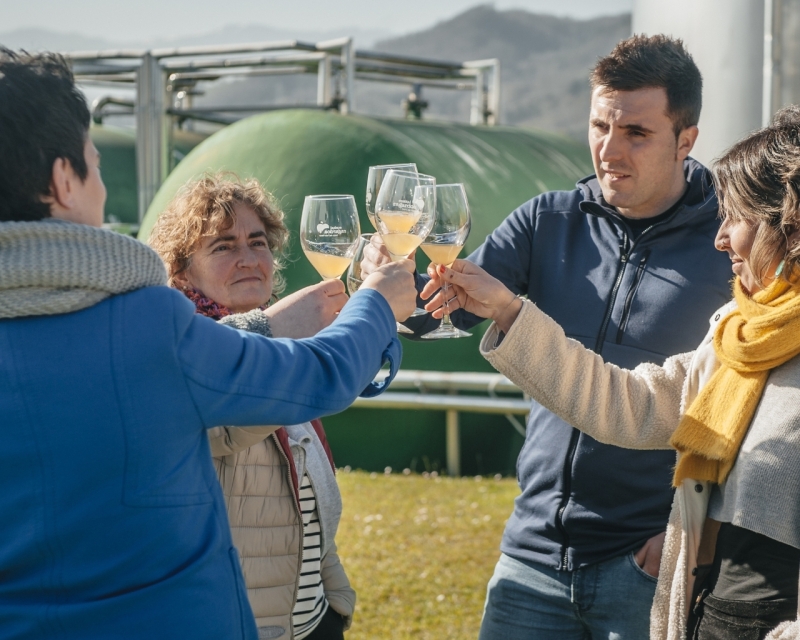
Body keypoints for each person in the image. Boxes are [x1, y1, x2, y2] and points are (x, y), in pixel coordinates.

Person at [0, 49, 416, 640]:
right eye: (94, 159)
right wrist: (377, 301)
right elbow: (317, 377)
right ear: (64, 180)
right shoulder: (142, 325)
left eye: (257, 241)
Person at [363, 34, 733, 638]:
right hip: (531, 559)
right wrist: (386, 277)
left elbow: (747, 407)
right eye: (599, 126)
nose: (609, 150)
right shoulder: (546, 220)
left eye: (635, 133)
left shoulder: (729, 244)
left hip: (646, 565)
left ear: (686, 139)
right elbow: (438, 314)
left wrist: (690, 530)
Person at [424, 106, 800, 640]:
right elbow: (627, 404)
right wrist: (509, 311)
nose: (720, 240)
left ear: (788, 227)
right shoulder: (737, 340)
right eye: (600, 125)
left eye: (736, 218)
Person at [149, 174, 356, 640]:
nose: (248, 258)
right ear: (181, 271)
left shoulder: (287, 350)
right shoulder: (175, 354)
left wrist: (331, 602)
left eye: (257, 242)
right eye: (223, 246)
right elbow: (229, 417)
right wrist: (273, 329)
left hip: (311, 623)